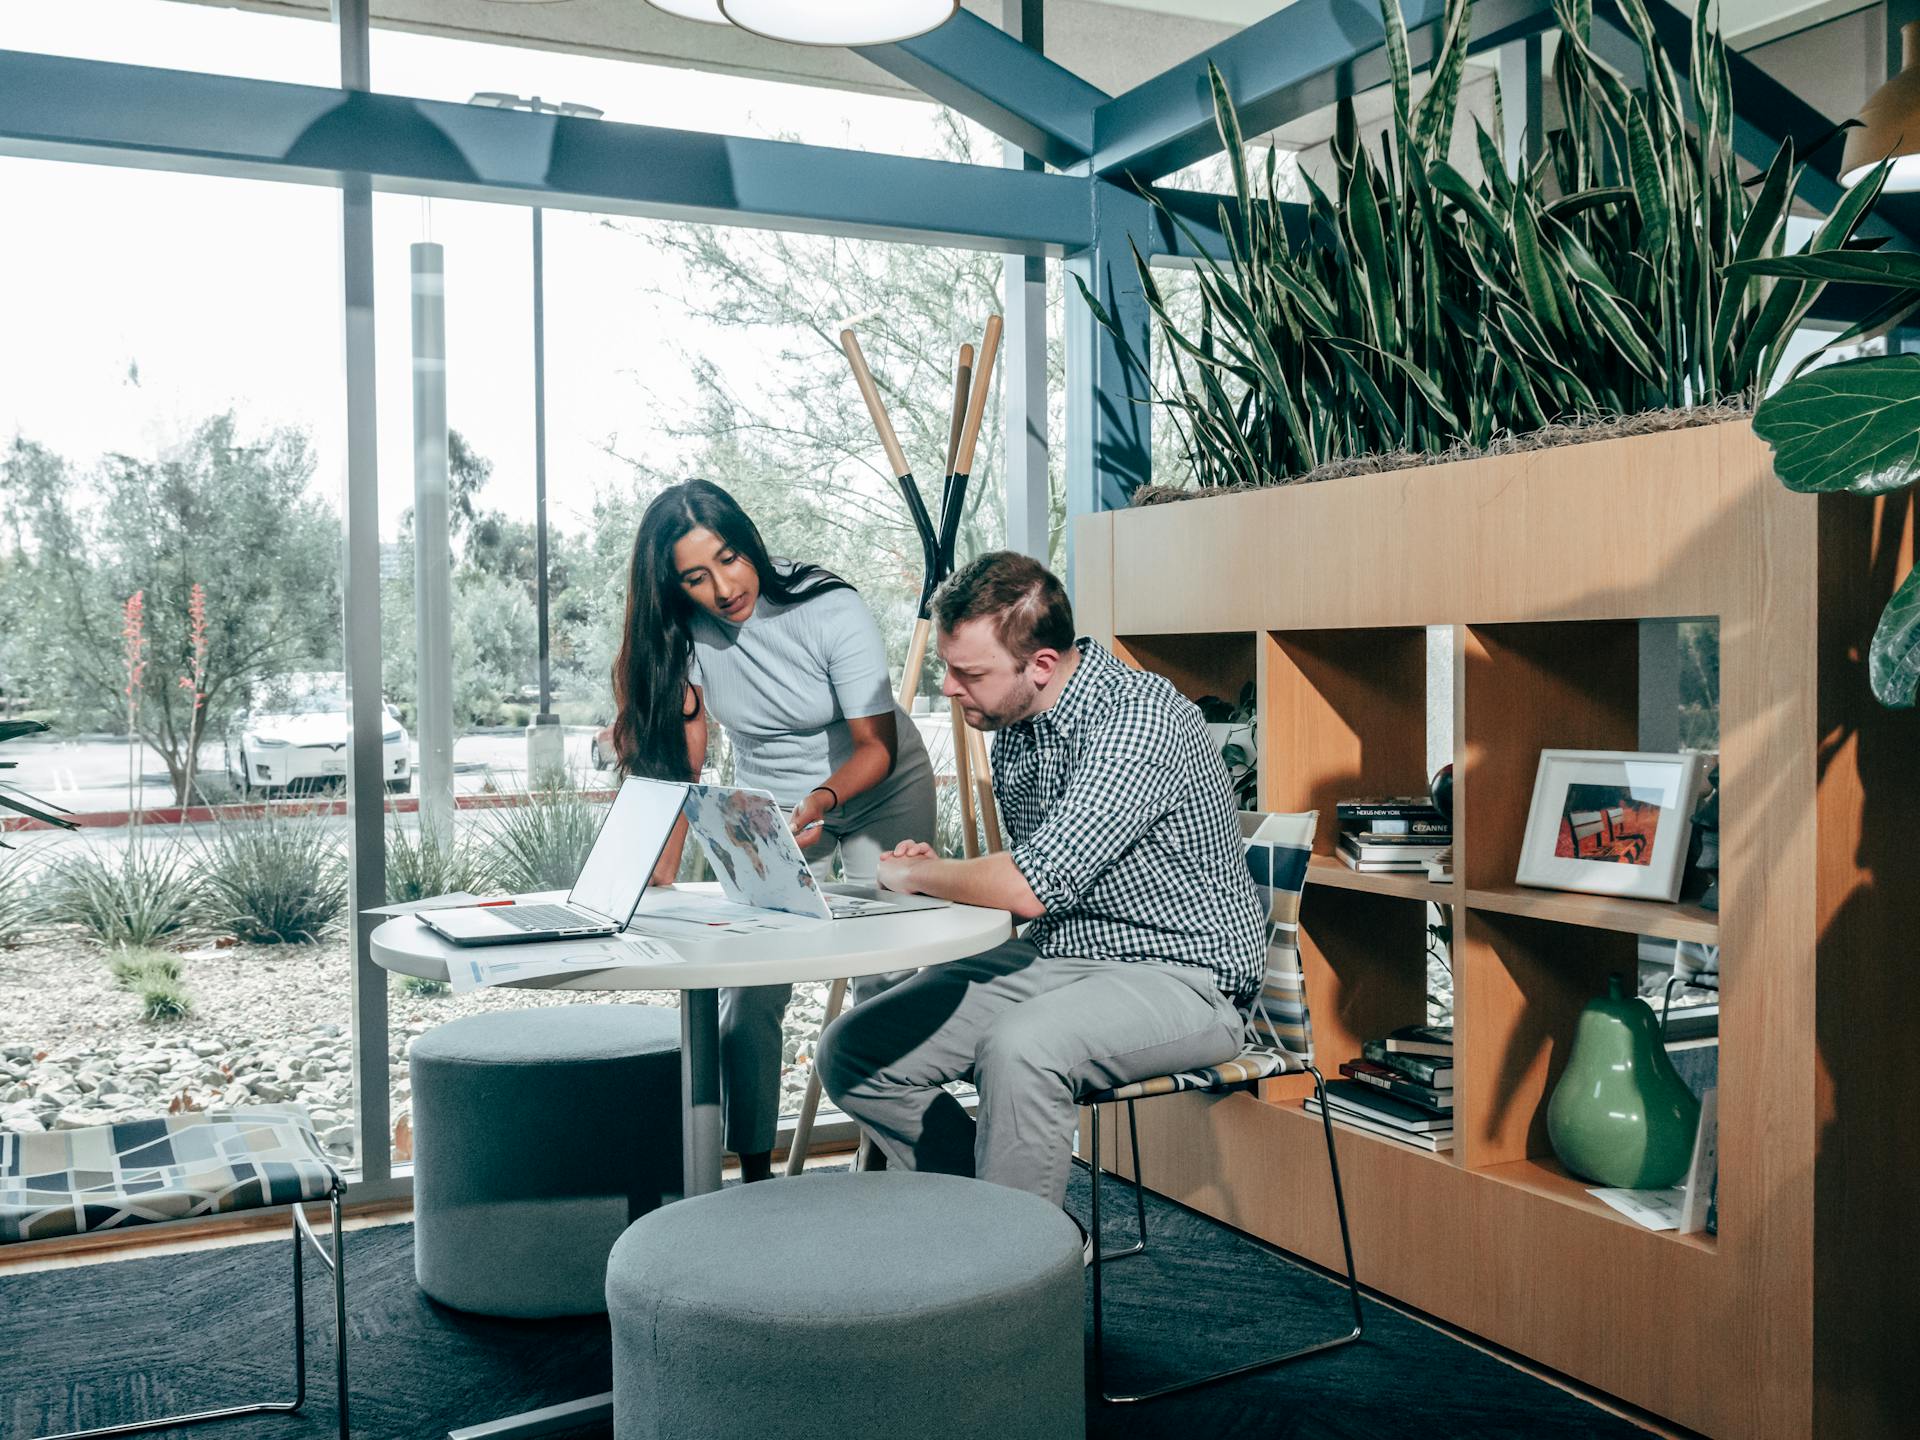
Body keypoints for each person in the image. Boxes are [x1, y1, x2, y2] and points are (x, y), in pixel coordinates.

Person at [817, 551, 1263, 1209]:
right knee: (855, 1051)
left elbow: (1029, 884)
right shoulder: (1018, 726)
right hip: (1056, 956)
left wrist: (923, 873)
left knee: (1021, 1050)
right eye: (946, 666)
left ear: (1042, 665)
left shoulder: (1137, 720)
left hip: (1184, 977)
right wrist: (934, 874)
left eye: (968, 672)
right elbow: (1032, 883)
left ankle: (1012, 1275)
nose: (949, 687)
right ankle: (1005, 1231)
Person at [611, 479, 936, 1182]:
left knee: (883, 980)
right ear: (674, 584)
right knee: (749, 990)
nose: (723, 586)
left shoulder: (828, 606)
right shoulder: (684, 635)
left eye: (729, 559)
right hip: (778, 805)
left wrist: (821, 798)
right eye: (696, 576)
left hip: (880, 787)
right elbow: (678, 766)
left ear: (749, 541)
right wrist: (656, 869)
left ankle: (885, 1166)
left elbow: (875, 746)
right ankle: (752, 1176)